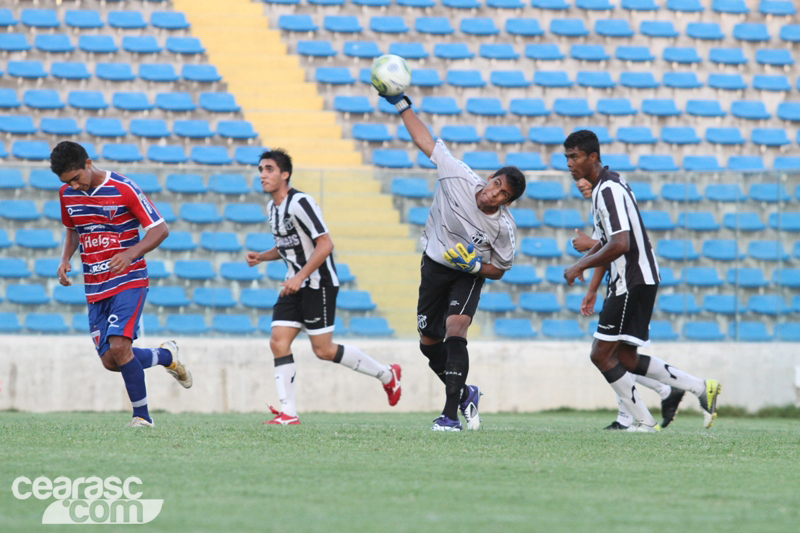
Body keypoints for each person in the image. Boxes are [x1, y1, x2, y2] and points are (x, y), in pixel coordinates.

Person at [379, 91, 526, 431]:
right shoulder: (457, 175)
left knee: (455, 327)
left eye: (504, 194)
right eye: (497, 184)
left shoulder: (503, 227)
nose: (495, 193)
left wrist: (475, 268)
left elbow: (501, 269)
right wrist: (402, 104)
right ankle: (466, 394)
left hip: (468, 274)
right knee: (428, 342)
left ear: (508, 202)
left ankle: (449, 417)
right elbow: (424, 140)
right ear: (491, 178)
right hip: (433, 265)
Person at [562, 130, 720, 432]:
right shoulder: (609, 185)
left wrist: (579, 264)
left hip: (631, 279)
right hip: (635, 279)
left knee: (600, 354)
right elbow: (610, 241)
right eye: (567, 157)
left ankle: (642, 422)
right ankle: (700, 388)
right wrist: (592, 272)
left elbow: (620, 244)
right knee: (626, 356)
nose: (569, 163)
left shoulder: (607, 190)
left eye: (574, 157)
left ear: (592, 158)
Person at [246, 149, 402, 425]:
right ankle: (288, 413)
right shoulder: (273, 208)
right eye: (260, 169)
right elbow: (288, 245)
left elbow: (325, 243)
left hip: (319, 283)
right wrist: (262, 256)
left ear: (285, 175)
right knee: (278, 341)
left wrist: (300, 276)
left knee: (324, 350)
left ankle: (388, 375)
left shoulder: (300, 202)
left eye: (269, 169)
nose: (262, 175)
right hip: (294, 285)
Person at [52, 141, 191, 428]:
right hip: (95, 285)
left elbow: (160, 229)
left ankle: (142, 417)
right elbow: (73, 229)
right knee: (110, 360)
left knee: (119, 345)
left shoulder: (124, 187)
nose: (74, 186)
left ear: (88, 163)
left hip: (129, 279)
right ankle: (166, 356)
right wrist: (65, 259)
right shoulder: (67, 194)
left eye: (76, 178)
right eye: (68, 182)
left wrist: (130, 254)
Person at [571, 196, 685, 429]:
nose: (581, 184)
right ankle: (662, 392)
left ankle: (632, 415)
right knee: (616, 354)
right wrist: (592, 289)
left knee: (611, 353)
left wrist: (589, 246)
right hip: (619, 286)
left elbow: (618, 245)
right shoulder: (600, 210)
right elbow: (606, 253)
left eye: (586, 181)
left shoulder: (613, 205)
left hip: (631, 286)